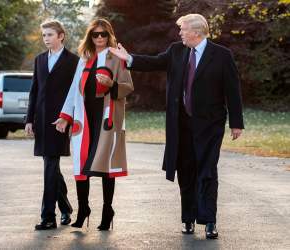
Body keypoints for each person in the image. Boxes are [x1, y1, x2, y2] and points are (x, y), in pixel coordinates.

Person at [109, 13, 244, 239]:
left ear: (196, 32)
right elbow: (154, 62)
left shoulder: (221, 55)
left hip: (210, 125)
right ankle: (188, 219)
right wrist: (129, 58)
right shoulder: (176, 51)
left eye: (183, 29)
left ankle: (209, 221)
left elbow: (232, 90)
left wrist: (236, 123)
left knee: (208, 171)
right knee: (185, 172)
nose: (179, 33)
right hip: (180, 124)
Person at [53, 18, 133, 230]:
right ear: (90, 36)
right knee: (81, 165)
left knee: (106, 166)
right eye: (95, 34)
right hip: (85, 118)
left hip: (106, 118)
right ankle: (83, 209)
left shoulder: (116, 57)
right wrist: (65, 115)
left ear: (109, 35)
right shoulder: (84, 59)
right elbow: (73, 90)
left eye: (103, 34)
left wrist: (111, 84)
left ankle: (108, 210)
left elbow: (127, 86)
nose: (99, 38)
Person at [25, 20, 79, 230]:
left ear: (61, 36)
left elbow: (76, 94)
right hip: (41, 121)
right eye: (44, 35)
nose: (46, 38)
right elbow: (34, 91)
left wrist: (69, 118)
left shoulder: (73, 61)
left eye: (49, 35)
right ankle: (65, 208)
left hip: (60, 121)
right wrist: (29, 119)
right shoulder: (39, 60)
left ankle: (48, 217)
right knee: (51, 166)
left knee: (50, 165)